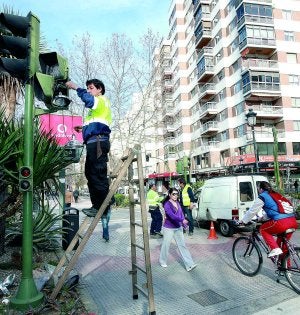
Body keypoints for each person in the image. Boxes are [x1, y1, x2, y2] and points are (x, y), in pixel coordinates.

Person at [66, 79, 112, 217]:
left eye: (91, 88)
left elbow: (88, 99)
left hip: (98, 143)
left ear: (100, 90)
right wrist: (84, 128)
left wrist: (75, 87)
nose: (88, 91)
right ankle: (97, 205)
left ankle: (104, 204)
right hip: (93, 143)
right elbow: (97, 124)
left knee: (97, 174)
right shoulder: (95, 110)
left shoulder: (101, 100)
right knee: (90, 174)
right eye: (88, 88)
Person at [241, 181, 298, 257]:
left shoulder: (263, 196)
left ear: (260, 189)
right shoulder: (276, 195)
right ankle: (285, 267)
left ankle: (274, 248)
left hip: (281, 222)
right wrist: (261, 218)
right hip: (293, 221)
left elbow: (252, 211)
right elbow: (276, 211)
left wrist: (243, 221)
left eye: (258, 189)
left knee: (263, 229)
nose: (258, 191)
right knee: (283, 247)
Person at [159, 187, 197, 272]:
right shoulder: (167, 204)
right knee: (166, 245)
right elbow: (172, 216)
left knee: (182, 245)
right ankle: (162, 261)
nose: (175, 196)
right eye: (173, 194)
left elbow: (181, 214)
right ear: (169, 195)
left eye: (177, 194)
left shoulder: (178, 203)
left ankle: (189, 264)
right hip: (169, 228)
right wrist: (182, 220)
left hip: (178, 227)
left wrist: (184, 225)